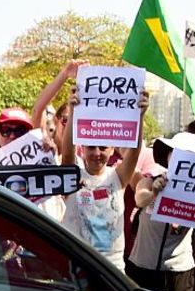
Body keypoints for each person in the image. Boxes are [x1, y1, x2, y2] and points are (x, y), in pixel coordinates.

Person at [60, 88, 145, 270]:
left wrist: (140, 116)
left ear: (112, 149)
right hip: (78, 267)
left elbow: (135, 152)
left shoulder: (118, 177)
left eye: (102, 147)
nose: (97, 153)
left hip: (112, 269)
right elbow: (67, 155)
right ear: (82, 149)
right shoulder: (72, 178)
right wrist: (73, 111)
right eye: (91, 147)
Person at [127, 132, 195, 291]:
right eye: (177, 154)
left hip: (179, 273)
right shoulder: (150, 181)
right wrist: (154, 192)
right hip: (141, 268)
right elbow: (140, 199)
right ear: (168, 156)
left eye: (190, 157)